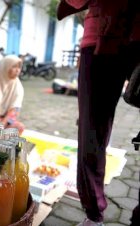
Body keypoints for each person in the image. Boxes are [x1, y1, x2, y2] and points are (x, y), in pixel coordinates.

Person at [57, 0, 140, 225]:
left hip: (105, 35)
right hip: (102, 36)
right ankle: (94, 213)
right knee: (92, 132)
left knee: (91, 132)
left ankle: (94, 215)